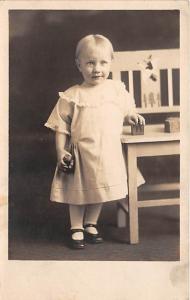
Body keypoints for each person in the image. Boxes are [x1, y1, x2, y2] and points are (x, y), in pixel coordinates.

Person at [45, 34, 145, 249]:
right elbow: (60, 127)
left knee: (99, 189)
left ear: (111, 62)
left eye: (103, 62)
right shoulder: (72, 95)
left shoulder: (116, 89)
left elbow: (125, 110)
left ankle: (91, 223)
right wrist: (60, 151)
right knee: (78, 191)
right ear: (78, 64)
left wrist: (131, 116)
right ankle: (76, 227)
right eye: (90, 63)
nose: (97, 69)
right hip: (81, 152)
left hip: (108, 152)